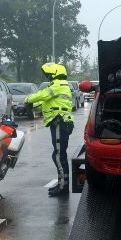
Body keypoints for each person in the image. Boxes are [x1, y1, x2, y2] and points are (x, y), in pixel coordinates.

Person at [25, 63, 74, 197]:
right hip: (61, 122)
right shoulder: (61, 86)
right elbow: (46, 102)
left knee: (59, 155)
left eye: (48, 75)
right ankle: (61, 184)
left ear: (54, 73)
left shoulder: (58, 85)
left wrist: (28, 99)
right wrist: (33, 107)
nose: (48, 77)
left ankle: (63, 187)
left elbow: (43, 95)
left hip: (60, 122)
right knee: (59, 155)